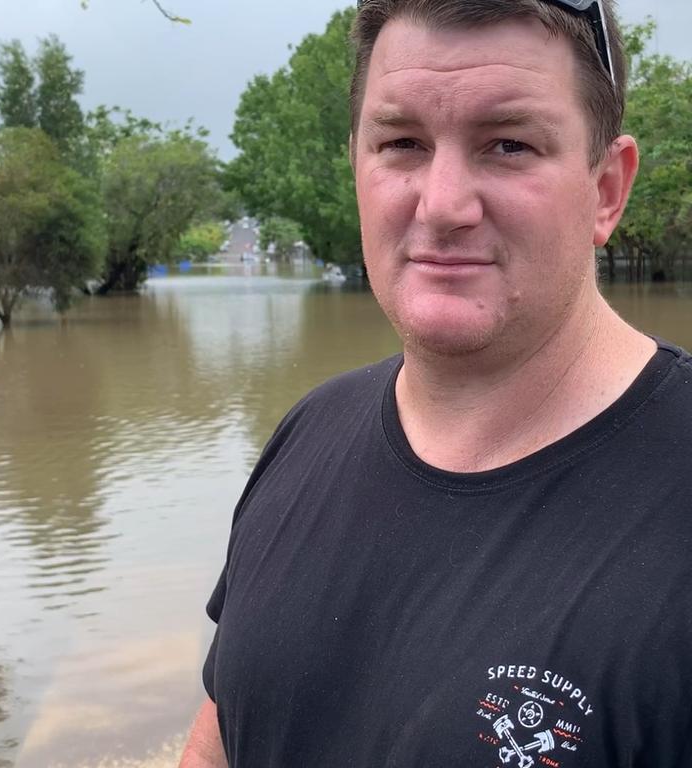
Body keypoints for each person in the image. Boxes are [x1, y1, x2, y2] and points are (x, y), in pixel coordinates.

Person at [179, 0, 692, 765]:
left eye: (509, 144)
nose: (443, 204)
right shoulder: (310, 428)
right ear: (356, 162)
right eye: (403, 143)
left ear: (608, 188)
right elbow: (221, 735)